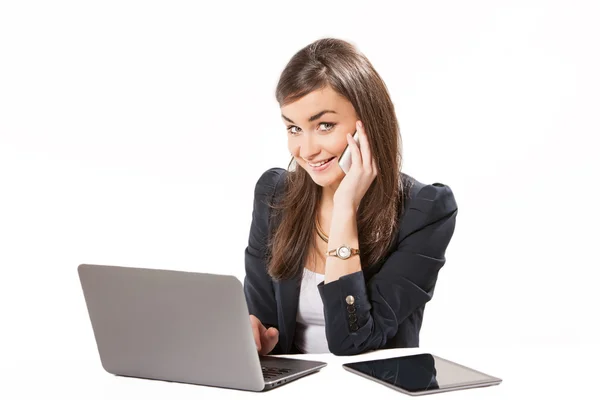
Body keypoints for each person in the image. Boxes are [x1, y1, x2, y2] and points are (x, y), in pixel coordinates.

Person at [243, 38, 458, 356]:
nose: (306, 150)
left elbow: (354, 343)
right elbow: (263, 320)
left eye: (324, 125)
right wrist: (257, 335)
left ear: (368, 123)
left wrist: (344, 207)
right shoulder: (275, 195)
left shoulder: (424, 211)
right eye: (294, 128)